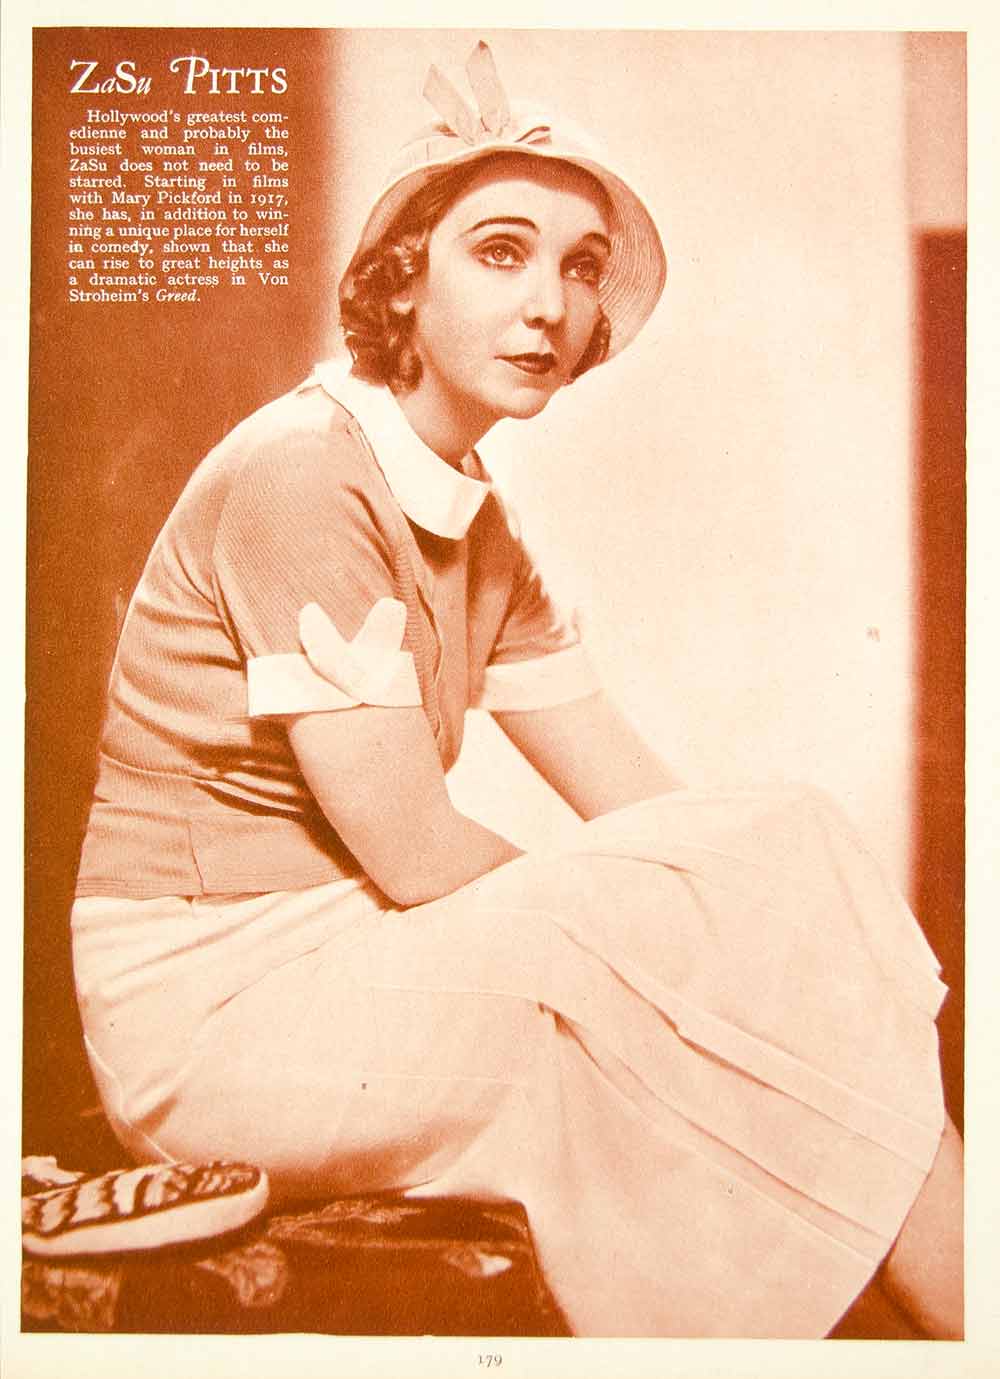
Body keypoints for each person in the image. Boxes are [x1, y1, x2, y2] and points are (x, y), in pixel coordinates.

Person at [70, 43, 962, 1338]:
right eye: (502, 253)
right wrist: (679, 931)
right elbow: (419, 856)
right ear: (403, 280)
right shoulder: (300, 473)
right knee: (711, 945)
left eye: (582, 267)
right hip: (211, 1015)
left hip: (355, 963)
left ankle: (968, 1325)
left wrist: (741, 915)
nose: (550, 302)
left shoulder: (477, 528)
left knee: (777, 848)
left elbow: (650, 814)